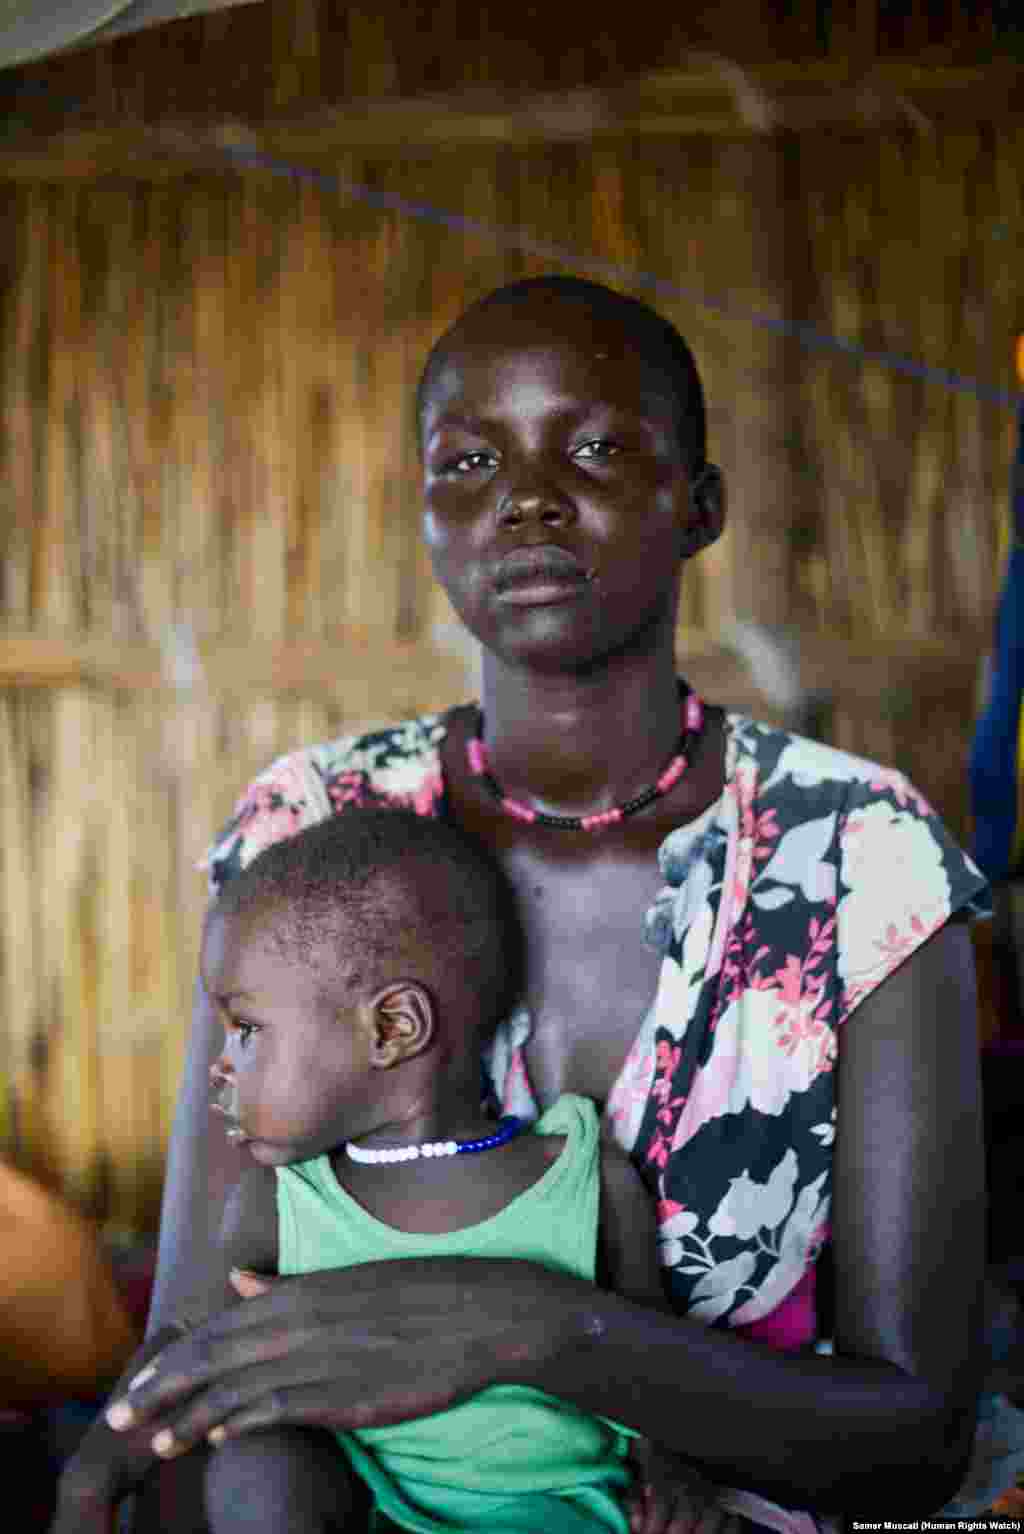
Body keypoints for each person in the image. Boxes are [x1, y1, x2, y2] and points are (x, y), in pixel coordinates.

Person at [55, 274, 991, 1534]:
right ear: (426, 514)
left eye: (595, 448)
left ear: (700, 505)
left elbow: (917, 1438)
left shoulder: (856, 853)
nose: (527, 499)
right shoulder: (315, 825)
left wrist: (531, 1328)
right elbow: (194, 1346)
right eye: (469, 460)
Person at [200, 806, 741, 1533]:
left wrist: (671, 1467)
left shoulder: (584, 1183)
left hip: (565, 1516)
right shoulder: (277, 1207)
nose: (219, 1067)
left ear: (393, 1028)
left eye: (246, 1031)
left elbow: (656, 1372)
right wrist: (99, 1475)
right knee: (255, 1464)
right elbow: (207, 1374)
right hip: (372, 1509)